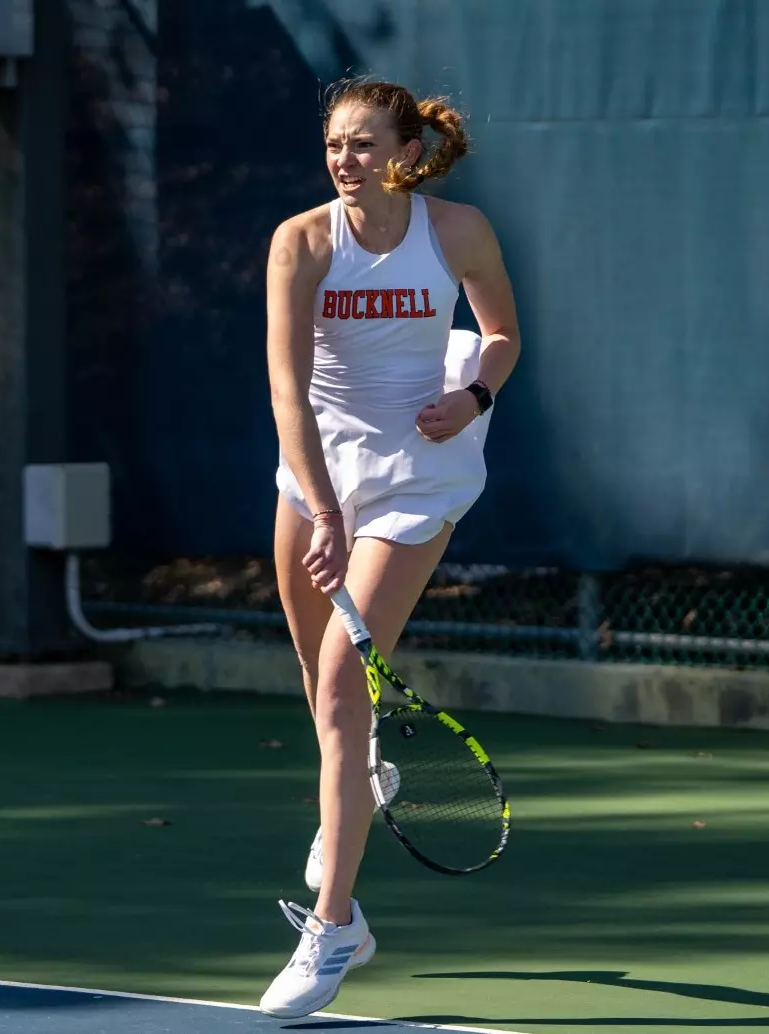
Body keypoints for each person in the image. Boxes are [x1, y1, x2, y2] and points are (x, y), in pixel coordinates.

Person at [257, 76, 521, 1019]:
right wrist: (321, 506)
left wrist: (473, 397)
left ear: (407, 153)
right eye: (335, 144)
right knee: (314, 677)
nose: (345, 160)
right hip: (316, 471)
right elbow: (288, 392)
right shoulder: (300, 242)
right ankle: (359, 786)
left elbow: (499, 336)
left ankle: (332, 929)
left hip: (417, 472)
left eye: (365, 145)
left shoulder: (457, 232)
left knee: (339, 681)